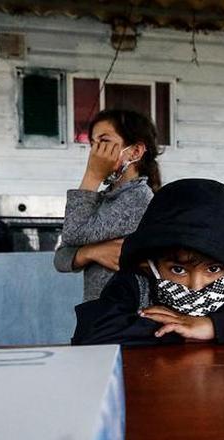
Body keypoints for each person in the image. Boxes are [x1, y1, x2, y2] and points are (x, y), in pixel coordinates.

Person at [72, 179, 224, 345]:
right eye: (178, 270)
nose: (197, 285)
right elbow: (91, 330)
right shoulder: (137, 285)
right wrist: (178, 330)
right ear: (150, 265)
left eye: (213, 269)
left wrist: (213, 327)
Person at [55, 109, 161, 302]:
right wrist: (93, 252)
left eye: (104, 142)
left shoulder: (138, 198)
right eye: (93, 144)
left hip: (125, 320)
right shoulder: (106, 197)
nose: (96, 153)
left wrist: (92, 175)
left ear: (136, 151)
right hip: (101, 316)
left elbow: (73, 233)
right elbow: (61, 257)